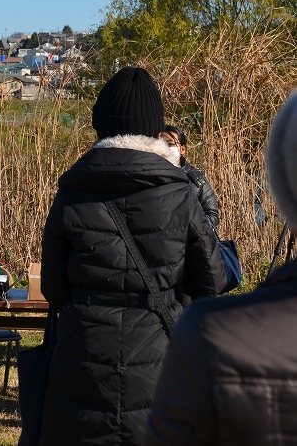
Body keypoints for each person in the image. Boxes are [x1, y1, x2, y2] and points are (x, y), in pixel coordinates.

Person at [39, 66, 227, 445]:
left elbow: (53, 287)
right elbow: (211, 281)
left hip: (82, 355)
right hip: (161, 359)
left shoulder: (72, 189)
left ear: (101, 126)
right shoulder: (180, 192)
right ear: (155, 130)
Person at [144, 89, 297, 445]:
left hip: (192, 255)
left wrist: (195, 230)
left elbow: (211, 213)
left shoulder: (215, 334)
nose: (167, 147)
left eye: (173, 142)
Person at [158, 124, 220, 228]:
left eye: (170, 144)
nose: (165, 148)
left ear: (182, 149)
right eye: (161, 144)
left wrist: (191, 230)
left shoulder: (196, 178)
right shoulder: (149, 175)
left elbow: (212, 214)